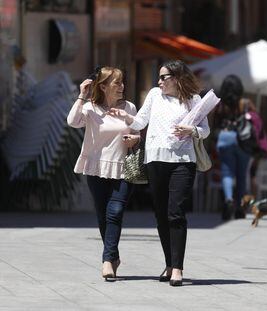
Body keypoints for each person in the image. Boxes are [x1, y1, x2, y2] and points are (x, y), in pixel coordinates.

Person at [108, 60, 210, 286]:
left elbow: (205, 130)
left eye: (164, 77)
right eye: (159, 77)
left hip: (182, 161)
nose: (159, 81)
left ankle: (178, 269)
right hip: (155, 160)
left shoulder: (194, 99)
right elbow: (140, 121)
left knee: (176, 213)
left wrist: (191, 130)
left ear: (177, 78)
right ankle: (169, 263)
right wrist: (125, 118)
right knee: (161, 214)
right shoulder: (154, 95)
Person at [67, 67, 140, 280]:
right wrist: (82, 94)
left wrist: (135, 139)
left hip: (123, 167)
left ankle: (107, 260)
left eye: (122, 82)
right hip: (96, 167)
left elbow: (137, 131)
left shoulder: (129, 107)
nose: (122, 87)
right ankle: (113, 256)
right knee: (102, 215)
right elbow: (72, 121)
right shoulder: (90, 108)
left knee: (115, 211)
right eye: (117, 83)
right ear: (103, 86)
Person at [215, 75, 251, 220]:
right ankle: (241, 207)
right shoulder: (246, 103)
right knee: (242, 175)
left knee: (227, 172)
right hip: (243, 139)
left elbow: (214, 125)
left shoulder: (220, 105)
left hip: (225, 137)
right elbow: (255, 121)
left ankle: (228, 200)